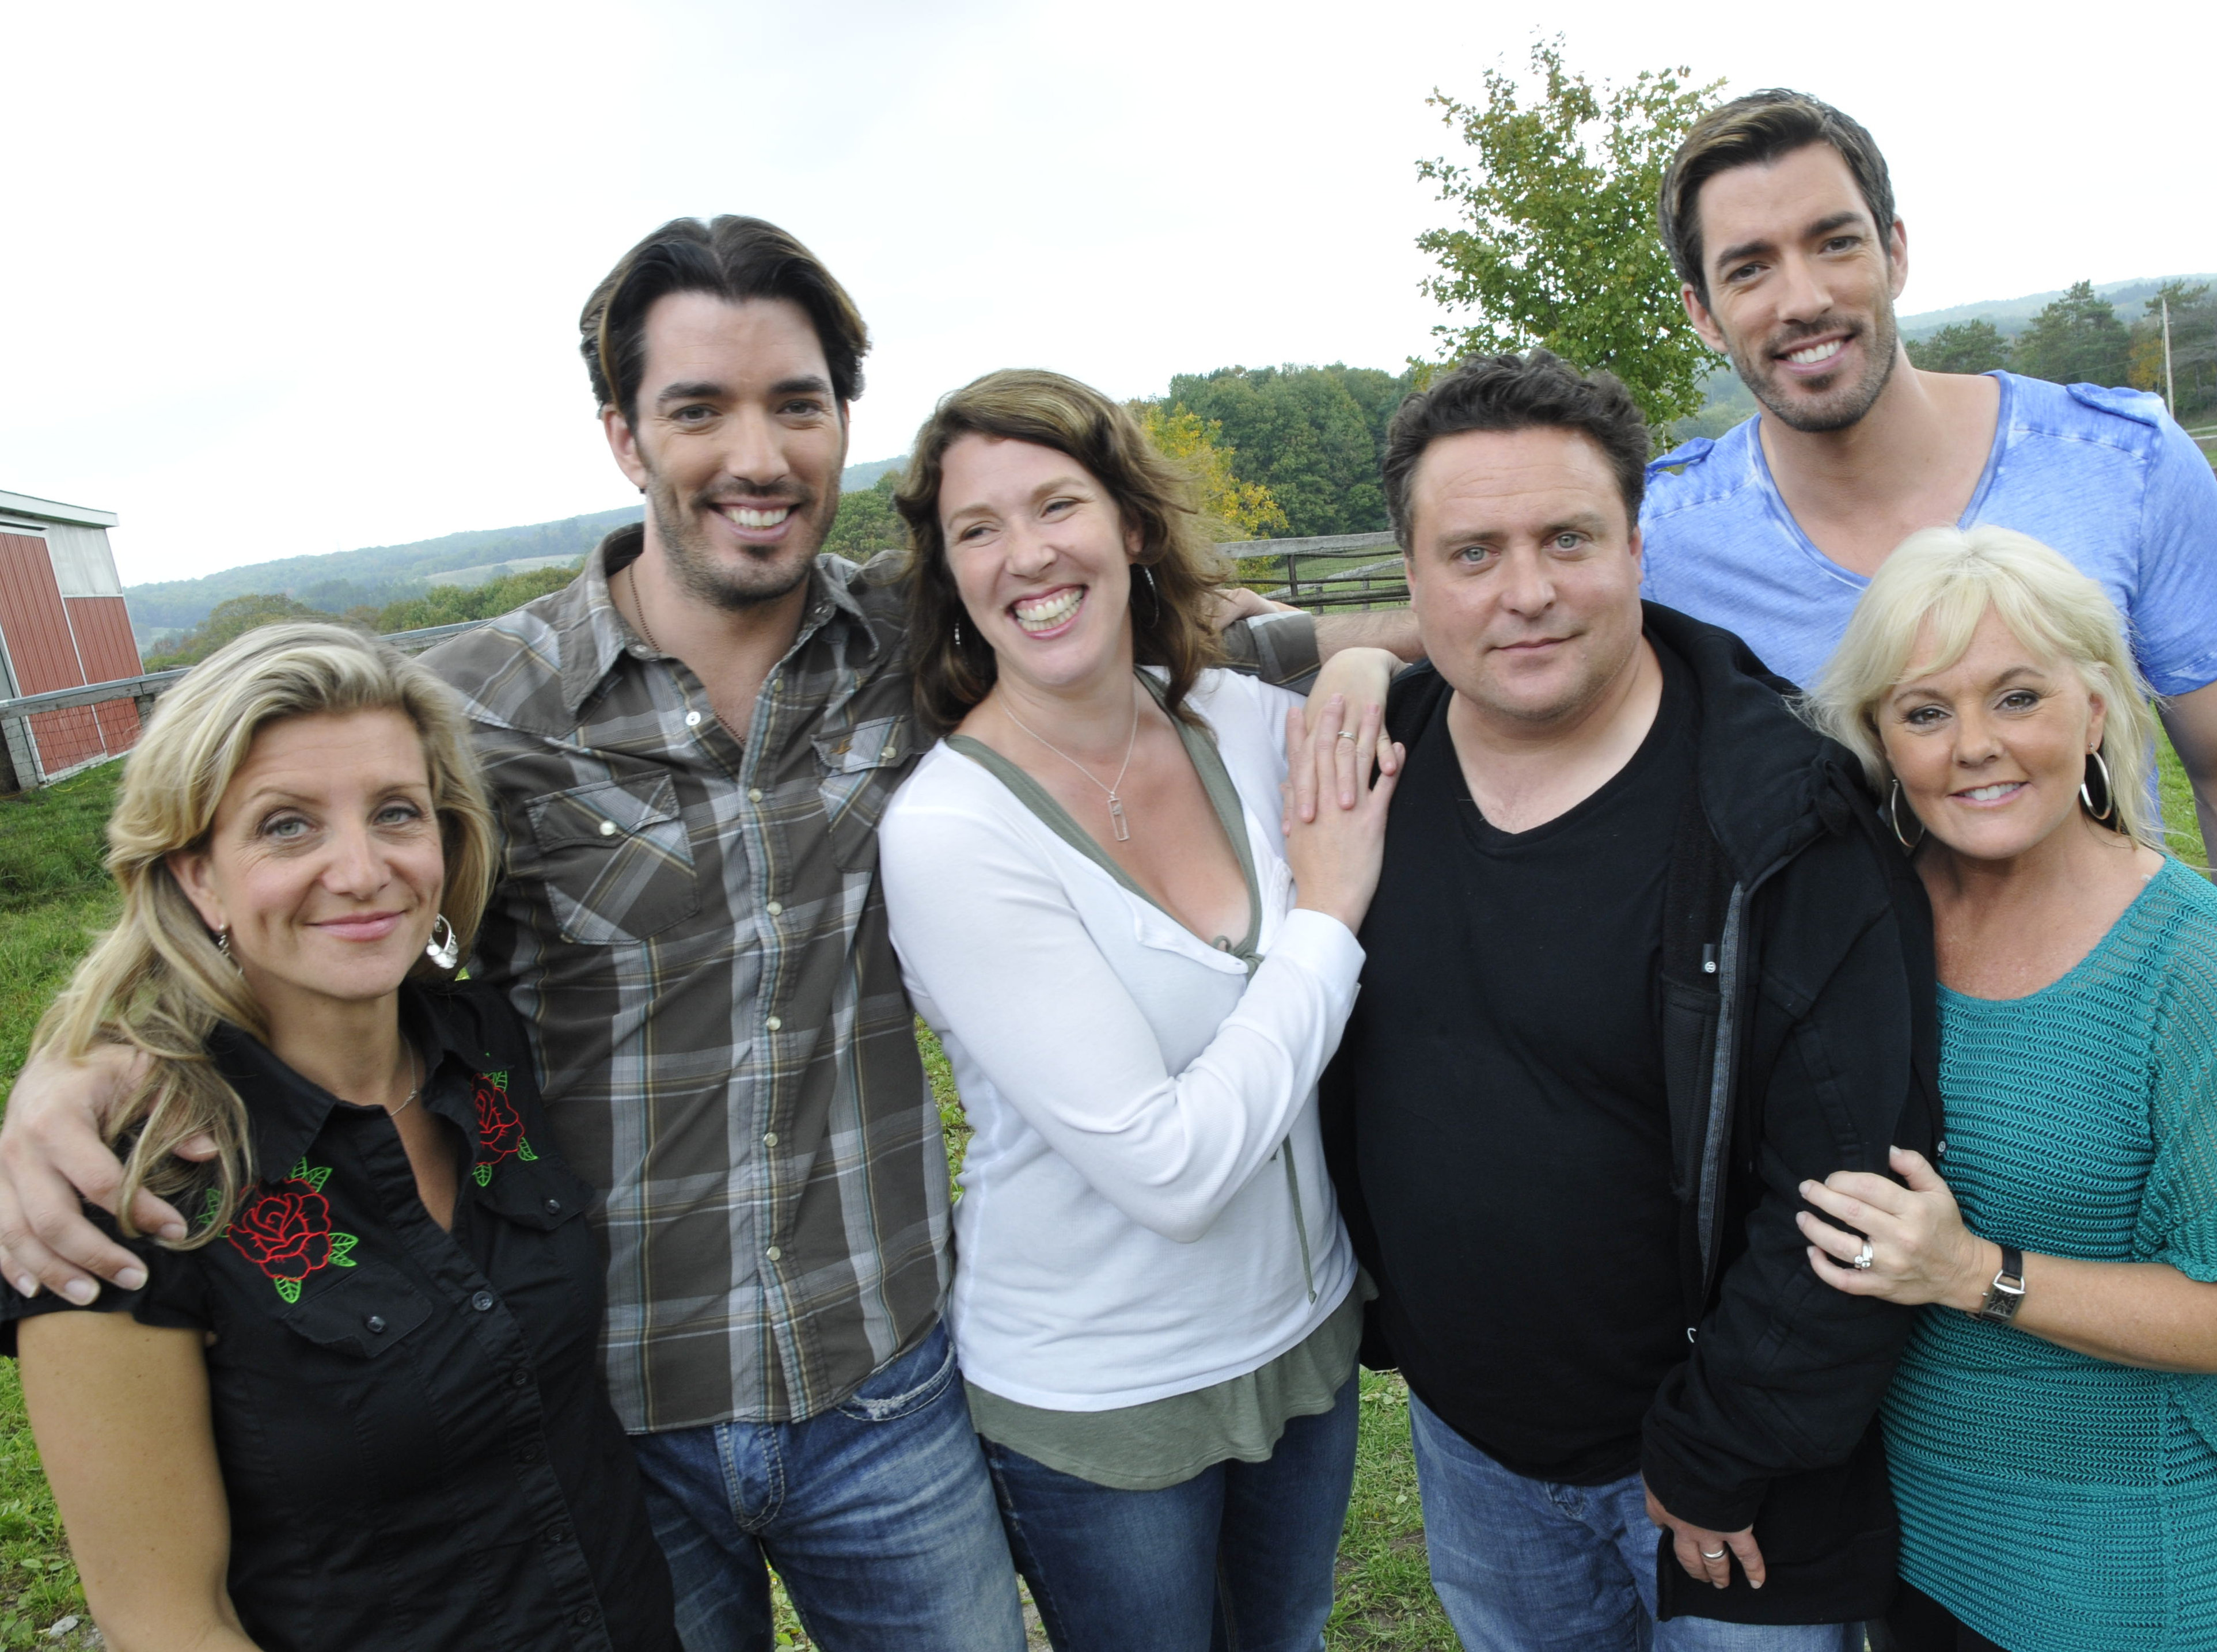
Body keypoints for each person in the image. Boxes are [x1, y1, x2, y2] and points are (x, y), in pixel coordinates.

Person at [0, 215, 1338, 1652]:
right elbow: (266, 862)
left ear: (840, 427)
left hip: (885, 1386)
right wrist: (67, 1069)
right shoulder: (478, 709)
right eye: (699, 408)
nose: (755, 455)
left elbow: (1176, 628)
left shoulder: (920, 652)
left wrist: (1367, 659)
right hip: (614, 1421)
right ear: (623, 435)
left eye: (797, 405)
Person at [1635, 93, 2217, 1649]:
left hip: (2118, 1057)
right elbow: (1508, 632)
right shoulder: (1664, 533)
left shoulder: (2115, 462)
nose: (1801, 294)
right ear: (1703, 310)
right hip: (1900, 1090)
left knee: (2207, 1557)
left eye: (1834, 242)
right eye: (1748, 266)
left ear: (1895, 251)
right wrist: (1346, 671)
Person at [1320, 349, 1941, 1651]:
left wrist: (1723, 1447)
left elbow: (1851, 1185)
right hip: (1472, 1445)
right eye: (1474, 552)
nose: (1528, 591)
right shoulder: (1366, 784)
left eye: (1567, 538)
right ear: (1414, 576)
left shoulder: (1787, 816)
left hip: (1730, 1487)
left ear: (1639, 546)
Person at [0, 622, 678, 1651]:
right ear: (197, 876)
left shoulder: (484, 1043)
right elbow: (166, 1621)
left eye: (395, 813)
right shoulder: (124, 1186)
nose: (360, 870)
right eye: (285, 827)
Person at [877, 369, 1403, 1648]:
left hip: (1306, 1339)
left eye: (1057, 503)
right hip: (1103, 1396)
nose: (1027, 554)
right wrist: (1328, 922)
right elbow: (1169, 1168)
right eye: (978, 530)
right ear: (949, 576)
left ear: (1129, 526)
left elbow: (1451, 641)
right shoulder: (953, 832)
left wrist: (1370, 662)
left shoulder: (1239, 720)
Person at [1793, 525, 2217, 1652]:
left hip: (2116, 1573)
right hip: (1907, 1541)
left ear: (2095, 711)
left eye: (2018, 697)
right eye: (1925, 711)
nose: (1974, 747)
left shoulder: (2194, 968)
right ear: (1877, 737)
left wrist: (1973, 1273)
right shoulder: (1873, 924)